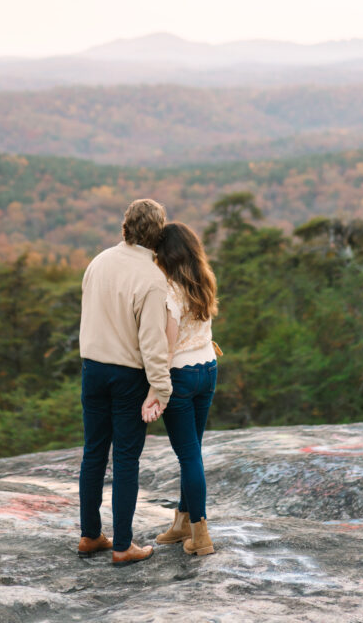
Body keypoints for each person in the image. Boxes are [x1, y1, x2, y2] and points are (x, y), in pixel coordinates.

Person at [78, 198, 172, 566]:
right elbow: (152, 342)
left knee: (94, 453)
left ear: (125, 227)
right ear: (159, 234)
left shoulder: (98, 261)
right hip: (128, 375)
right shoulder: (152, 279)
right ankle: (123, 546)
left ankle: (89, 535)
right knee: (127, 459)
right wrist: (161, 388)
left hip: (92, 368)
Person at [143, 221, 219, 557]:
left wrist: (155, 387)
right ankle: (182, 523)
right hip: (208, 369)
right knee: (193, 453)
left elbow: (168, 344)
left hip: (181, 375)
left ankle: (200, 535)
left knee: (188, 456)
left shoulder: (171, 290)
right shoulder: (204, 278)